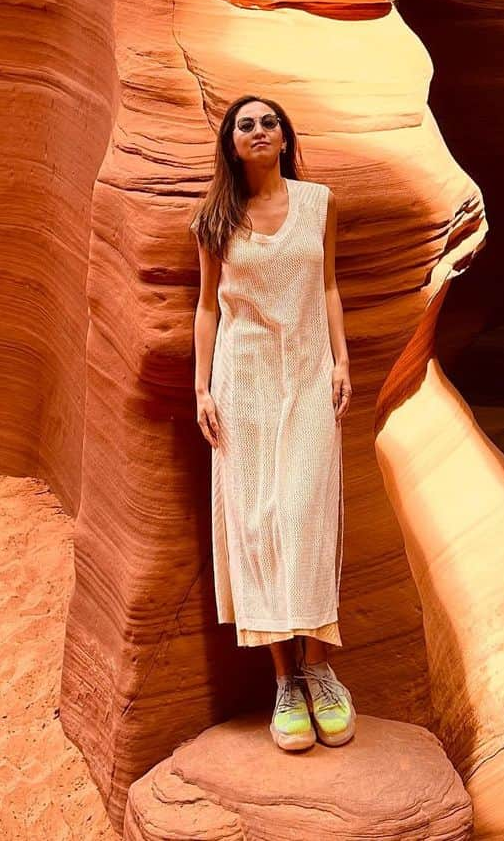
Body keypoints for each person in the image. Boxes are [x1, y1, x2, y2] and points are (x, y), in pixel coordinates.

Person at [189, 94, 356, 752]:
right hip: (245, 381)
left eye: (268, 122)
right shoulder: (213, 220)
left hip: (310, 375)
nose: (258, 131)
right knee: (255, 522)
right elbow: (207, 308)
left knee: (304, 514)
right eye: (244, 125)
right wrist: (201, 385)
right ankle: (284, 681)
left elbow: (328, 287)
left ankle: (320, 666)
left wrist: (342, 360)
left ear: (285, 136)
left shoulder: (319, 203)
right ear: (231, 144)